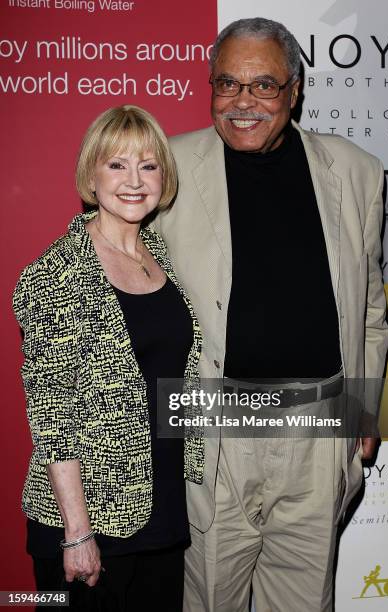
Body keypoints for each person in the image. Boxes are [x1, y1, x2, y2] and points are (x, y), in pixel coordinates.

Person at [152, 17, 388, 612]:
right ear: (209, 86)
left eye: (264, 86)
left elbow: (370, 313)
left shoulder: (356, 171)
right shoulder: (164, 167)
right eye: (228, 84)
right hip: (212, 422)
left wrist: (366, 410)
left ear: (295, 90)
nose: (244, 102)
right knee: (209, 600)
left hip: (320, 421)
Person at [13, 104, 203, 612]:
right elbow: (54, 413)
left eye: (148, 164)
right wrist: (77, 532)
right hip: (86, 520)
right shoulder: (56, 274)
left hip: (161, 507)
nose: (135, 180)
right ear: (89, 176)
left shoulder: (159, 258)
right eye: (117, 165)